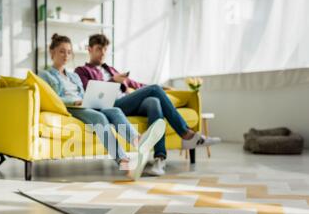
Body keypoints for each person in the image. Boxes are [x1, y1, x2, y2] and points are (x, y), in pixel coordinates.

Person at [75, 34, 221, 176]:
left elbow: (136, 85)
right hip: (112, 106)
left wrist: (165, 89)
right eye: (99, 49)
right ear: (89, 49)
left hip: (127, 101)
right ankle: (186, 133)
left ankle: (159, 159)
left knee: (154, 102)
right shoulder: (82, 71)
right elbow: (89, 91)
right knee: (154, 89)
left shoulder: (111, 69)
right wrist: (113, 81)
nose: (103, 53)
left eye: (105, 49)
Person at [39, 34, 165, 180]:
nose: (66, 55)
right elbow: (52, 98)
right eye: (62, 51)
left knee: (115, 110)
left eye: (68, 52)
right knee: (99, 117)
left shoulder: (74, 76)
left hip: (84, 103)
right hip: (70, 107)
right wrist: (74, 102)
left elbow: (84, 92)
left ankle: (138, 140)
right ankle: (124, 162)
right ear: (52, 52)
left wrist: (88, 99)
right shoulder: (45, 75)